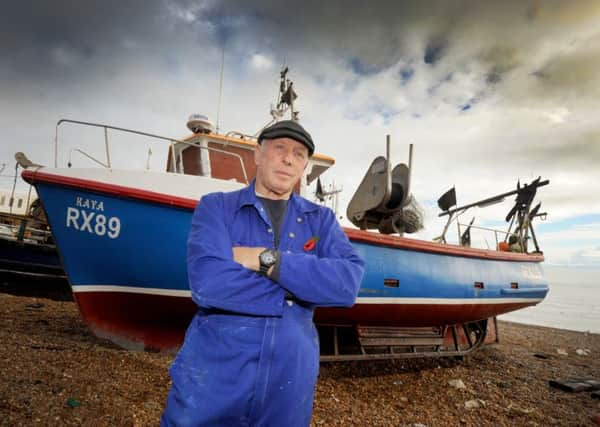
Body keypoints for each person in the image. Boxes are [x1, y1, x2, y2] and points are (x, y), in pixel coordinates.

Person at [161, 120, 365, 426]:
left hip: (290, 380)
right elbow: (209, 283)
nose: (288, 158)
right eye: (280, 148)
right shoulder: (216, 208)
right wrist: (302, 290)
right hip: (215, 373)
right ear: (257, 155)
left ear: (304, 165)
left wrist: (267, 260)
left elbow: (347, 284)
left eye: (299, 154)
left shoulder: (321, 220)